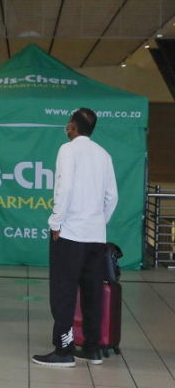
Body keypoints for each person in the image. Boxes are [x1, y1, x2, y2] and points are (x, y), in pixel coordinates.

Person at [32, 108, 118, 367]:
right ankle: (92, 348)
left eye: (68, 123)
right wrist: (98, 222)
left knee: (64, 292)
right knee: (92, 292)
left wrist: (56, 222)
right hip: (96, 236)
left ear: (73, 125)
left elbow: (64, 187)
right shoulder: (104, 154)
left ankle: (64, 350)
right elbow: (112, 197)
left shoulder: (68, 150)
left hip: (70, 234)